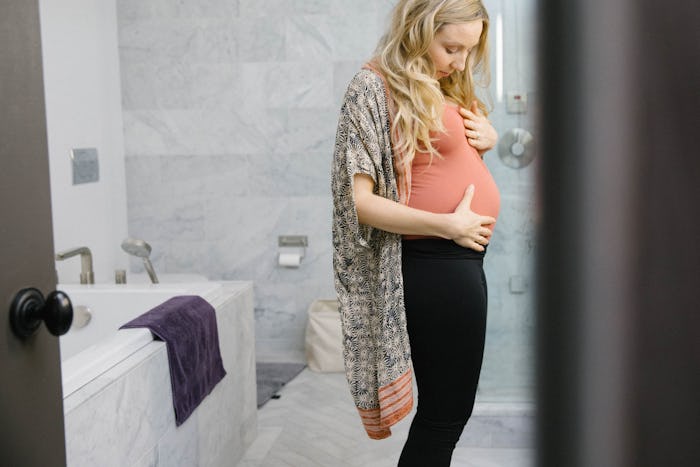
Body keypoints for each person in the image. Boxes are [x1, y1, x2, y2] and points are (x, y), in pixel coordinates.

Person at [331, 0, 499, 465]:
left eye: (469, 51)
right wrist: (448, 224)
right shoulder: (373, 86)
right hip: (431, 262)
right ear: (418, 29)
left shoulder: (446, 86)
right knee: (443, 418)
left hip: (460, 262)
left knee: (447, 416)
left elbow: (439, 165)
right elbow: (359, 204)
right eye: (451, 48)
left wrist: (490, 138)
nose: (460, 62)